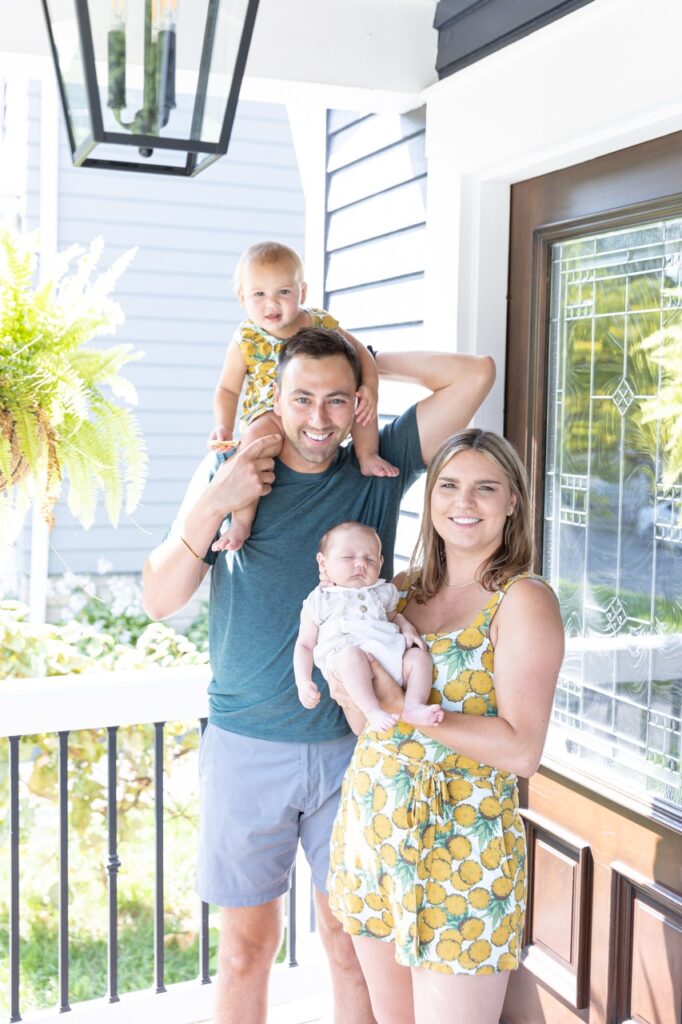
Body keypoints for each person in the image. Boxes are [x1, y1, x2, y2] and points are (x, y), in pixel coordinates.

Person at [142, 329, 495, 1024]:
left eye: (338, 400)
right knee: (247, 949)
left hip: (351, 750)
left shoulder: (378, 463)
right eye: (301, 397)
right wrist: (220, 498)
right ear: (272, 398)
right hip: (249, 745)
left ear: (359, 404)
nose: (318, 418)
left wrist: (371, 364)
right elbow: (159, 599)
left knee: (351, 942)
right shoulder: (233, 469)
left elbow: (473, 377)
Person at [327, 429, 565, 1024]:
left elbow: (520, 751)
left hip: (467, 844)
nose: (465, 502)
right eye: (450, 486)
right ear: (431, 498)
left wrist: (410, 711)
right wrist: (351, 690)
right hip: (375, 828)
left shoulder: (522, 600)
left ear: (513, 501)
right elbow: (369, 727)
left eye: (486, 488)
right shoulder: (399, 592)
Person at [209, 240, 397, 552]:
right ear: (242, 298)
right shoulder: (246, 339)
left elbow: (360, 352)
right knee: (252, 447)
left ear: (302, 293)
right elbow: (227, 389)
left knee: (359, 402)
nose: (272, 304)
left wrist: (371, 386)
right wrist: (223, 426)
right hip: (268, 413)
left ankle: (367, 456)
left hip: (318, 403)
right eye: (259, 294)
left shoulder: (319, 322)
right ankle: (241, 520)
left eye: (283, 292)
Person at [294, 521, 444, 732]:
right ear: (323, 563)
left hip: (391, 655)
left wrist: (408, 629)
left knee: (419, 658)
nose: (360, 564)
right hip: (348, 663)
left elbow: (394, 616)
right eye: (348, 557)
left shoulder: (383, 591)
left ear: (381, 562)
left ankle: (413, 705)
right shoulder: (319, 600)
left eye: (370, 559)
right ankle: (372, 710)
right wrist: (303, 681)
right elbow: (304, 645)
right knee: (351, 656)